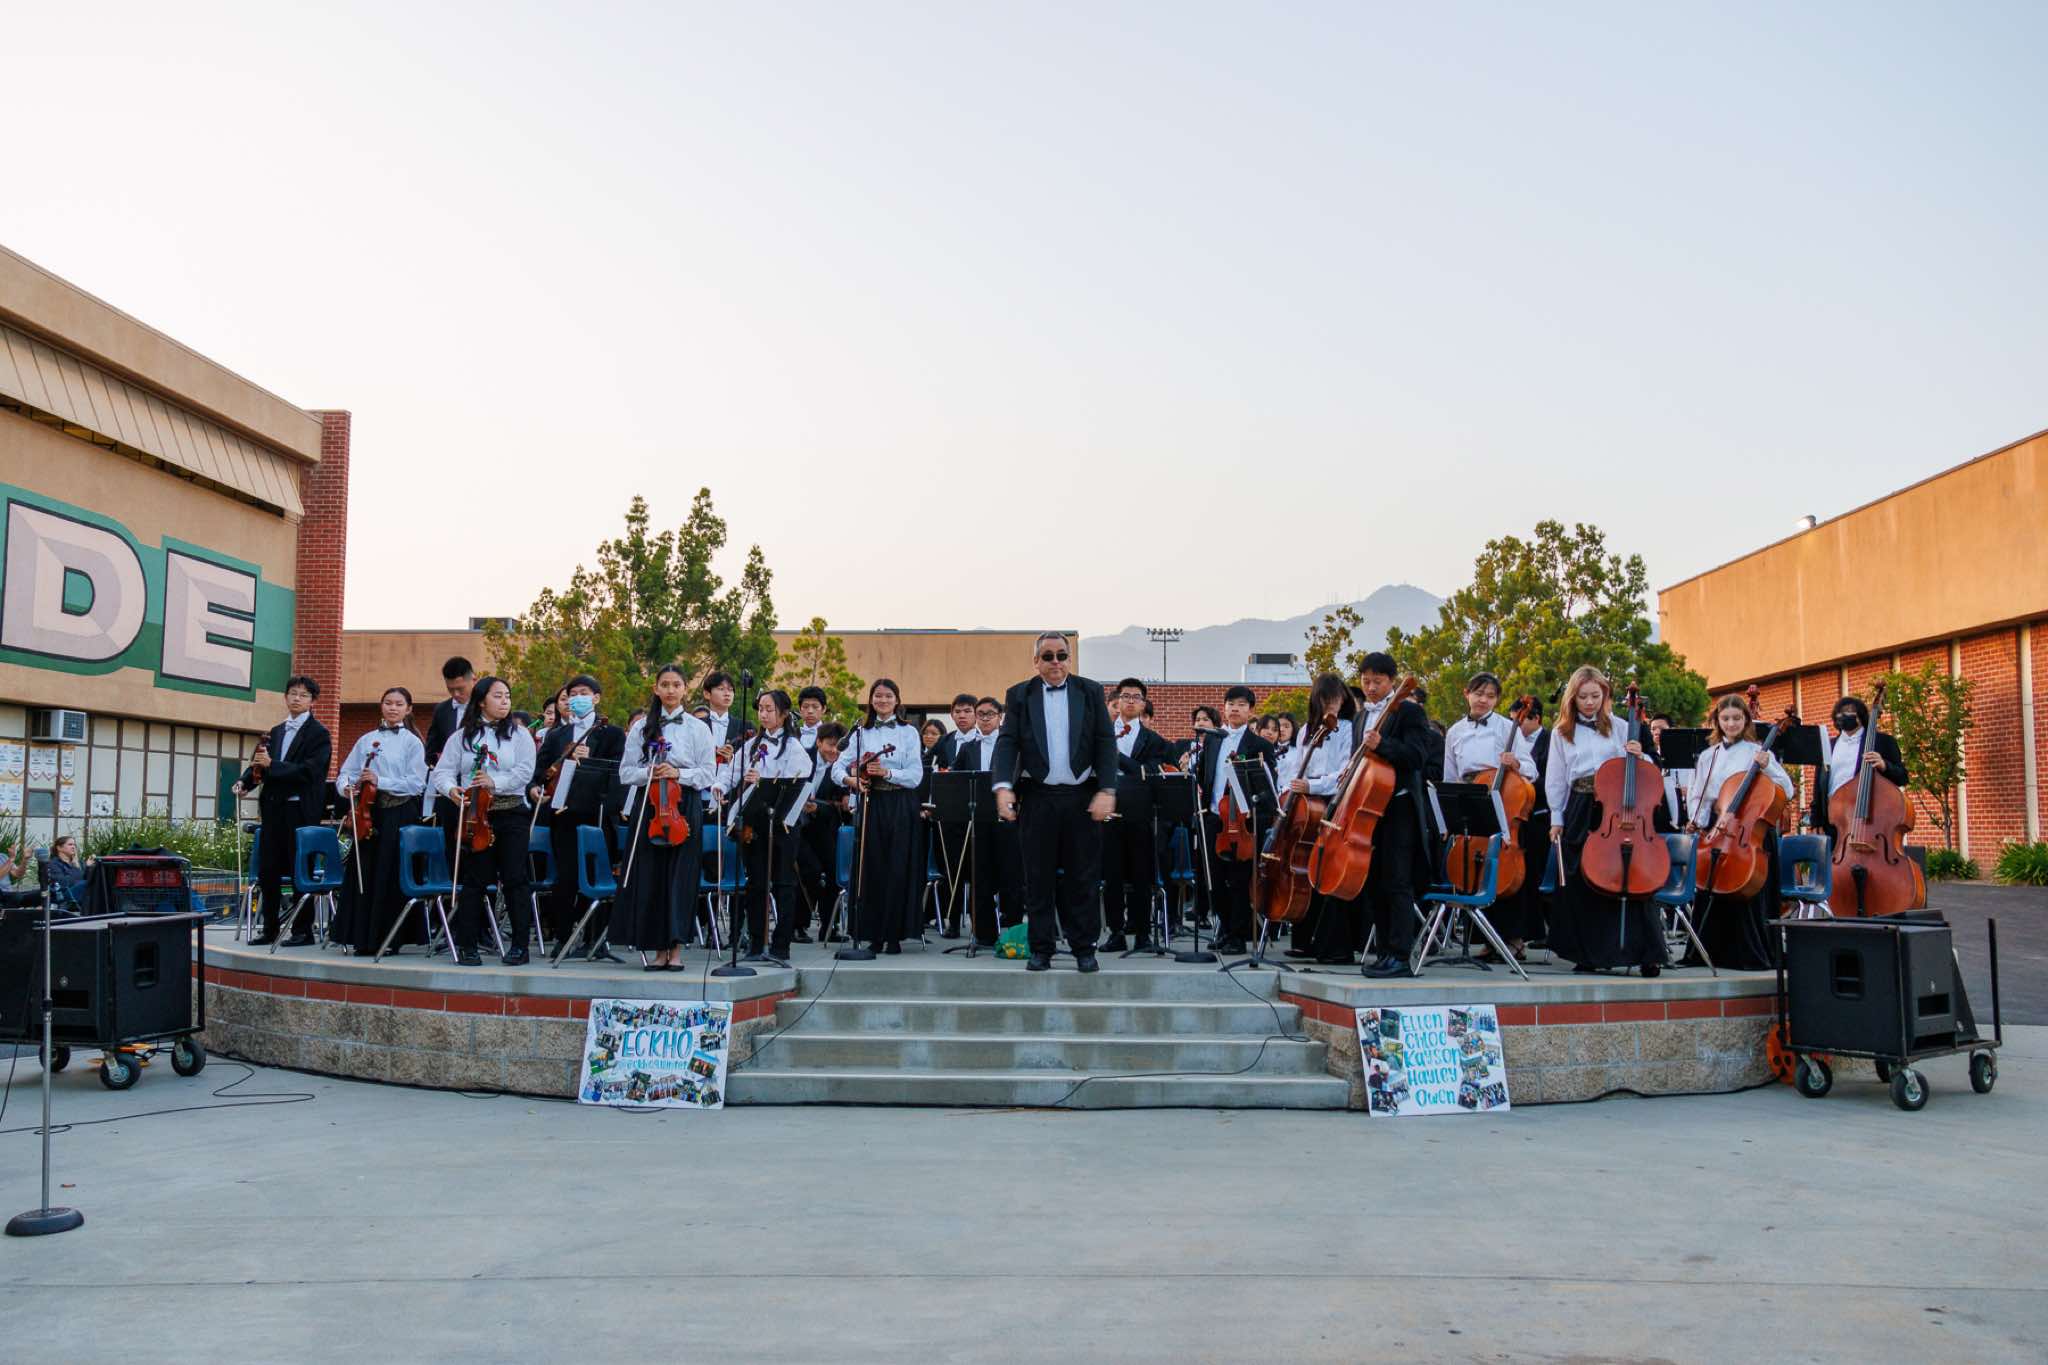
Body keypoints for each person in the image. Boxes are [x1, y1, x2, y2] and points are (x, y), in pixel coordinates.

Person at [992, 632, 1120, 972]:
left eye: (1062, 655)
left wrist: (1107, 789)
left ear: (1069, 658)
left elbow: (1105, 741)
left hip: (1081, 797)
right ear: (1036, 661)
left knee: (1083, 877)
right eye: (1047, 656)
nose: (1055, 662)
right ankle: (1041, 949)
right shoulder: (1019, 694)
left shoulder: (1090, 691)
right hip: (1038, 796)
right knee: (1037, 878)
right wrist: (1003, 786)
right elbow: (1007, 742)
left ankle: (1084, 949)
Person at [1545, 665, 1667, 977]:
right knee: (1581, 877)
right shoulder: (1561, 733)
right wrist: (1556, 816)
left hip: (1618, 806)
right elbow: (1556, 777)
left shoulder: (1622, 726)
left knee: (1630, 873)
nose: (1589, 702)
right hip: (1580, 805)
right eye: (1583, 697)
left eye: (1595, 696)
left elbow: (1651, 770)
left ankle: (1645, 953)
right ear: (1572, 698)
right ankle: (1588, 953)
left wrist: (1641, 755)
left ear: (1605, 696)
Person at [430, 676, 537, 966]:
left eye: (507, 696)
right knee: (475, 880)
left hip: (511, 812)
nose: (505, 701)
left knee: (515, 878)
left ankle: (520, 946)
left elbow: (525, 772)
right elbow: (442, 772)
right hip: (476, 815)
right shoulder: (461, 736)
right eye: (498, 696)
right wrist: (452, 790)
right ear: (481, 701)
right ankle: (468, 945)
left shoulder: (520, 734)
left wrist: (495, 782)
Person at [617, 666, 717, 970]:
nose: (671, 690)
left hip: (682, 805)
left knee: (680, 877)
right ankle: (657, 950)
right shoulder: (641, 728)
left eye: (676, 684)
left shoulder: (698, 728)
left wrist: (678, 773)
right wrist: (649, 771)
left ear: (685, 688)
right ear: (656, 688)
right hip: (650, 804)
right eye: (665, 684)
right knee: (651, 877)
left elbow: (707, 773)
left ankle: (675, 950)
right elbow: (625, 773)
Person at [1339, 656, 1432, 978]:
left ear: (1392, 681)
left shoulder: (1409, 711)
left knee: (1397, 882)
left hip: (1400, 808)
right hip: (1368, 808)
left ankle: (1400, 955)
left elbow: (1417, 756)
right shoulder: (1361, 716)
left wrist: (1384, 744)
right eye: (1365, 681)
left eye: (1377, 681)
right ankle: (1383, 952)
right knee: (1375, 883)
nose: (1370, 687)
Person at [1686, 693, 1794, 970]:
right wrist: (1697, 820)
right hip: (1719, 824)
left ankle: (1749, 952)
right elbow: (1699, 794)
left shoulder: (1756, 752)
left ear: (1746, 720)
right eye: (1725, 719)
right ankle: (1706, 950)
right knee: (1710, 884)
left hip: (1749, 826)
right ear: (1717, 721)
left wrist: (1768, 766)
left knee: (1748, 890)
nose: (1731, 723)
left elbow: (1787, 789)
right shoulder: (1708, 756)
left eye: (1736, 718)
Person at [531, 674, 626, 961]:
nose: (577, 698)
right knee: (566, 877)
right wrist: (534, 788)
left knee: (596, 875)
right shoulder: (557, 736)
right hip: (564, 815)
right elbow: (540, 772)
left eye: (583, 693)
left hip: (598, 816)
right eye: (572, 694)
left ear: (596, 698)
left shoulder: (612, 733)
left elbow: (619, 771)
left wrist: (590, 758)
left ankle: (595, 939)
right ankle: (563, 937)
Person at [236, 675, 333, 946]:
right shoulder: (276, 731)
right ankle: (269, 928)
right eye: (292, 693)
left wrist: (273, 766)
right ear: (285, 697)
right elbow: (259, 765)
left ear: (313, 701)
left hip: (300, 811)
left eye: (303, 695)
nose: (297, 698)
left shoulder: (319, 734)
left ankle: (303, 931)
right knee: (268, 870)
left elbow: (311, 772)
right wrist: (245, 783)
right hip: (273, 809)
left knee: (299, 869)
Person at [831, 680, 925, 954]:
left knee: (897, 867)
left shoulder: (909, 732)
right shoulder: (860, 732)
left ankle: (894, 935)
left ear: (897, 700)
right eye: (878, 696)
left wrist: (887, 772)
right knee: (871, 867)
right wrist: (852, 780)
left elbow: (916, 775)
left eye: (888, 696)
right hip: (871, 802)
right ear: (871, 700)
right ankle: (872, 934)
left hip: (901, 803)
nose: (882, 700)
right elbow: (837, 768)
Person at [720, 689, 814, 963]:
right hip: (754, 821)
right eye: (760, 709)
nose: (763, 714)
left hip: (782, 823)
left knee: (784, 883)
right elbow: (731, 773)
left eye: (769, 709)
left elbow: (800, 775)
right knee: (756, 882)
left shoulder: (793, 746)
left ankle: (780, 945)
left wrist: (763, 777)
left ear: (783, 714)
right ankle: (755, 943)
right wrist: (720, 785)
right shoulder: (751, 744)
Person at [336, 686, 429, 957]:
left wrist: (381, 780)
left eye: (399, 704)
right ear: (381, 706)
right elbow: (346, 772)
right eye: (388, 703)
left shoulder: (412, 742)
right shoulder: (366, 739)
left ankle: (390, 938)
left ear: (408, 709)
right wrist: (346, 787)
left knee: (389, 875)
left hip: (398, 812)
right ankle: (360, 938)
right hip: (369, 812)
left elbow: (416, 784)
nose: (393, 708)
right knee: (363, 872)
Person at [1273, 674, 1357, 963]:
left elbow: (1345, 772)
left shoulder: (1348, 729)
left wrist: (1313, 785)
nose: (1330, 705)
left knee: (1327, 869)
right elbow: (1298, 768)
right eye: (1325, 699)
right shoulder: (1306, 731)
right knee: (1303, 865)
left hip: (1333, 801)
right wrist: (1296, 789)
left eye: (1335, 699)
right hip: (1307, 805)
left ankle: (1332, 944)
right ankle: (1303, 938)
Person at [1193, 684, 1277, 955]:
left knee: (1239, 881)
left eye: (1241, 704)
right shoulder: (1213, 740)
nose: (1235, 709)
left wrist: (1254, 811)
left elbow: (1268, 786)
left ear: (1251, 710)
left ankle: (1238, 936)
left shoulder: (1260, 745)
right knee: (1214, 880)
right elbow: (1204, 775)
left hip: (1243, 823)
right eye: (1230, 704)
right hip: (1214, 817)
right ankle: (1225, 928)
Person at [1101, 678, 1176, 952]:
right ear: (1117, 700)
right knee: (1112, 877)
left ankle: (1143, 933)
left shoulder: (1154, 740)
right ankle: (1116, 933)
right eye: (1125, 696)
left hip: (1141, 815)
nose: (1130, 701)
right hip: (1107, 814)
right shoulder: (1101, 734)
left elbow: (1149, 773)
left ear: (1143, 703)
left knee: (1141, 876)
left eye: (1136, 697)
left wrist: (1116, 757)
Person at [949, 697, 1017, 946]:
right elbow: (956, 779)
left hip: (1008, 820)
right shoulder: (968, 748)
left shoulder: (1012, 745)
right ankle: (985, 933)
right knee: (981, 877)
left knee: (1011, 876)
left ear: (1000, 717)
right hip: (979, 821)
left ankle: (1013, 932)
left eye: (990, 714)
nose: (985, 718)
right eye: (981, 714)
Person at [1810, 695, 1908, 842]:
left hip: (1868, 819)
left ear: (1860, 716)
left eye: (1849, 712)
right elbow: (1818, 786)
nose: (1843, 716)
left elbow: (1902, 777)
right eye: (1840, 713)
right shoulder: (1828, 746)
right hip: (1833, 819)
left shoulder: (1882, 741)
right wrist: (1815, 821)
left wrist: (1884, 765)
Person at [929, 693, 980, 936]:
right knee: (951, 869)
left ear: (976, 714)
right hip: (949, 815)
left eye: (967, 711)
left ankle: (981, 922)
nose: (962, 715)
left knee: (978, 869)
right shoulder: (944, 742)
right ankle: (953, 920)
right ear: (951, 714)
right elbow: (929, 770)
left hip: (978, 814)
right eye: (957, 711)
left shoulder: (985, 739)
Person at [1505, 696, 1553, 955]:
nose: (1516, 726)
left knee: (1534, 874)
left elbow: (1552, 778)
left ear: (1536, 719)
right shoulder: (1512, 739)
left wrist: (1524, 783)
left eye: (1520, 721)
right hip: (1516, 815)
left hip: (1540, 814)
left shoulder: (1550, 740)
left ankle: (1538, 930)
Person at [796, 722, 850, 942]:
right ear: (818, 742)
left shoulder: (843, 766)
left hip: (824, 827)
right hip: (797, 828)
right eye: (830, 744)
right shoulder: (801, 757)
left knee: (833, 871)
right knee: (809, 870)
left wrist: (818, 807)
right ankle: (798, 925)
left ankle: (829, 927)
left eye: (839, 747)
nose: (834, 750)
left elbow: (840, 804)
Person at [424, 656, 476, 862]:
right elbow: (432, 745)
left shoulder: (485, 706)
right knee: (451, 843)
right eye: (450, 689)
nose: (456, 694)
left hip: (476, 788)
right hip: (449, 789)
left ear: (473, 679)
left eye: (460, 689)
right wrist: (436, 760)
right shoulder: (442, 709)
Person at [44, 835, 86, 908]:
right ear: (59, 848)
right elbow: (63, 882)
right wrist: (76, 868)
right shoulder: (53, 864)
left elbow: (87, 877)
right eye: (70, 844)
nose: (73, 847)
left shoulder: (79, 862)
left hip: (80, 894)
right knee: (85, 884)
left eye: (74, 845)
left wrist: (89, 868)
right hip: (62, 895)